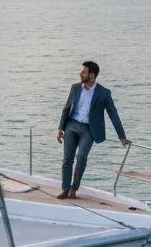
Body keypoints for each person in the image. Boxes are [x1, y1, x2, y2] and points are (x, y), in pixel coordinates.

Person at [56, 60, 132, 199]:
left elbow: (113, 114)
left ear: (91, 75)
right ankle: (65, 189)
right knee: (67, 159)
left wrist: (122, 136)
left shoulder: (104, 93)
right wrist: (60, 128)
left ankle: (74, 188)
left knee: (81, 157)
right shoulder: (75, 87)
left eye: (83, 72)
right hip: (72, 125)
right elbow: (67, 108)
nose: (80, 73)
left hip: (88, 130)